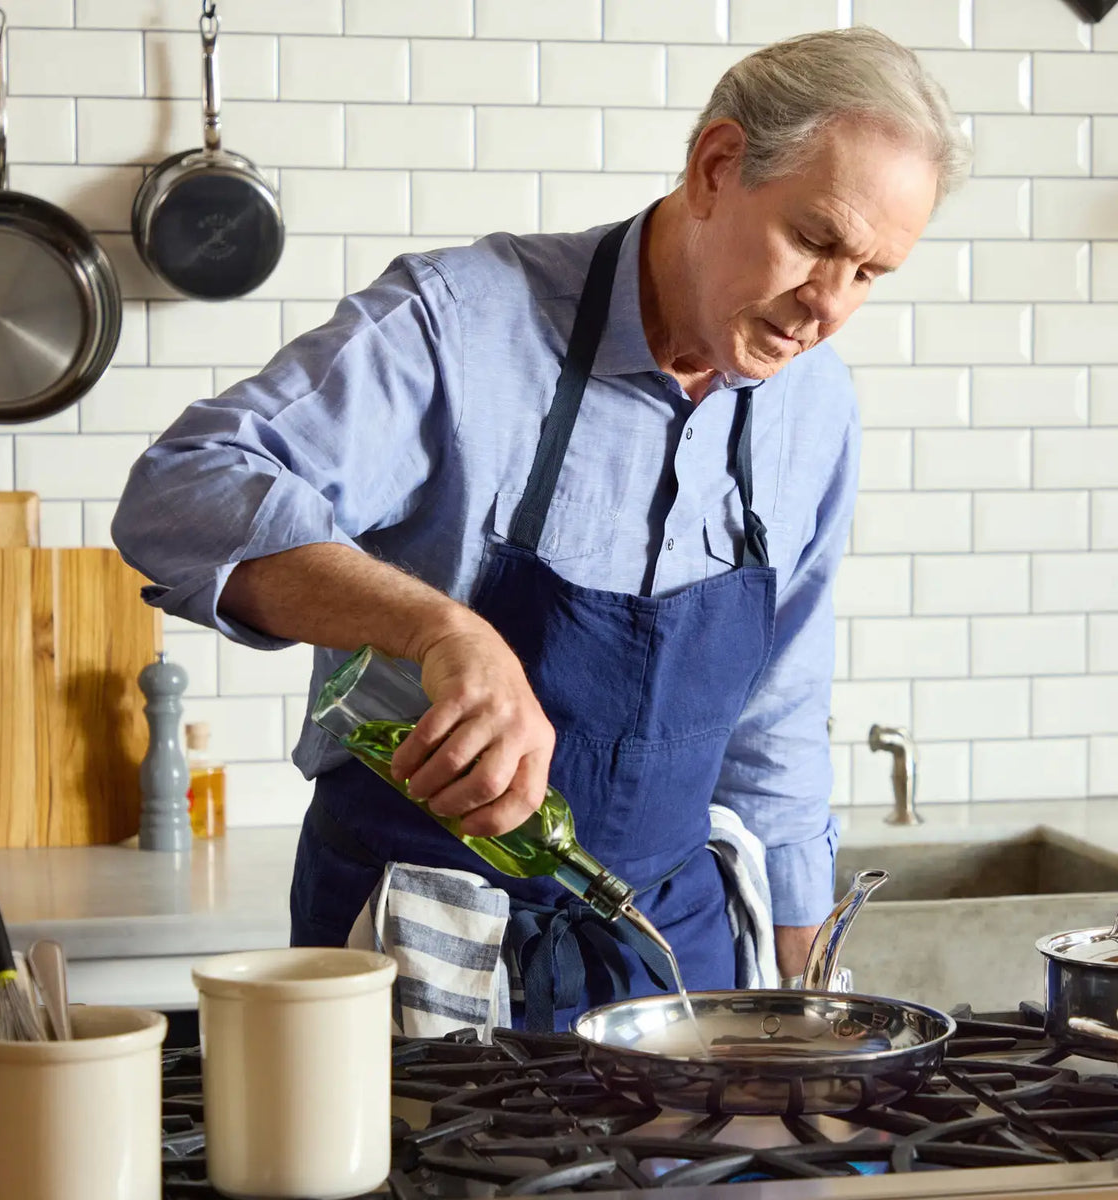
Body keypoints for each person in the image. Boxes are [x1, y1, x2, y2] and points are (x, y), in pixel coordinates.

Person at [112, 27, 969, 1032]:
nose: (827, 306)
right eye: (817, 242)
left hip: (671, 955)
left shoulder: (813, 409)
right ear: (718, 166)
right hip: (421, 944)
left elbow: (778, 716)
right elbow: (181, 490)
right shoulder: (465, 325)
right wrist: (443, 632)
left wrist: (812, 1003)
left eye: (870, 273)